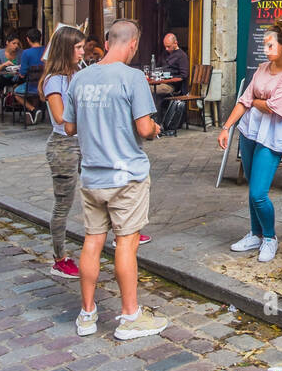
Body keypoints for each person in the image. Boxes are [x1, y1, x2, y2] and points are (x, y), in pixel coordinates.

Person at [63, 18, 167, 340]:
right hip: (126, 176)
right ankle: (129, 316)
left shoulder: (80, 79)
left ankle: (87, 314)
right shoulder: (133, 77)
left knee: (92, 242)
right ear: (133, 44)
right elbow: (144, 128)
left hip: (92, 176)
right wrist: (156, 129)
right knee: (126, 243)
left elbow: (69, 127)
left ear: (107, 43)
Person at [218, 21, 282, 263]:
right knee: (252, 189)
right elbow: (244, 100)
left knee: (259, 193)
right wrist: (226, 127)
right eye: (265, 44)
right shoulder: (263, 68)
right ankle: (255, 233)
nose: (265, 48)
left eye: (270, 44)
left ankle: (270, 238)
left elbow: (277, 108)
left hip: (272, 137)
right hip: (250, 132)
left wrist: (258, 101)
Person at [40, 25, 86, 280]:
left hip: (82, 142)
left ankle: (119, 235)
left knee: (99, 188)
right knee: (63, 204)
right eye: (78, 48)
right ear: (65, 49)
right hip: (63, 146)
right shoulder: (54, 80)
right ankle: (59, 259)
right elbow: (61, 118)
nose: (82, 52)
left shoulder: (77, 72)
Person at [14, 27, 45, 119]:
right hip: (44, 86)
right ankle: (36, 111)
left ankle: (33, 109)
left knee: (16, 92)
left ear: (27, 39)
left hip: (31, 86)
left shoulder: (26, 53)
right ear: (41, 38)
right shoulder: (47, 50)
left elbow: (22, 74)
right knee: (34, 90)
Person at [154, 32, 189, 96]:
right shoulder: (165, 53)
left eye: (168, 46)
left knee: (150, 89)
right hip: (160, 82)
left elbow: (184, 75)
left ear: (175, 43)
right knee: (144, 86)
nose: (166, 49)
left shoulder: (182, 56)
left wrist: (170, 79)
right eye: (165, 46)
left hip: (173, 86)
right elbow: (158, 67)